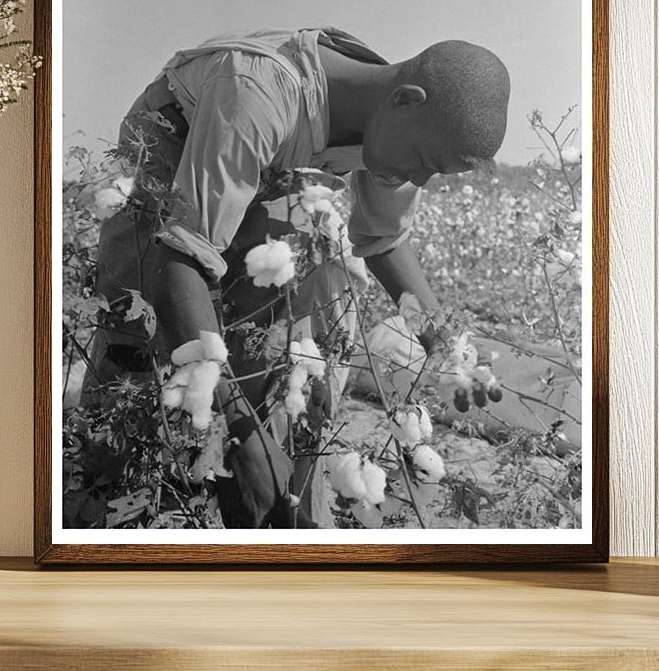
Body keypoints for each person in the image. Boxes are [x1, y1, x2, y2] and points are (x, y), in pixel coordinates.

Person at [86, 27, 510, 527]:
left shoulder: (385, 122)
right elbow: (180, 256)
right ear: (404, 101)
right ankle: (98, 508)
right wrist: (235, 432)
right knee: (135, 338)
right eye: (423, 164)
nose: (419, 181)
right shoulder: (258, 93)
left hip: (266, 163)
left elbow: (383, 241)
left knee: (290, 346)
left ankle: (285, 516)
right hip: (173, 139)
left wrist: (445, 344)